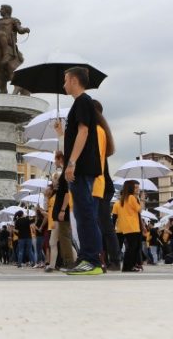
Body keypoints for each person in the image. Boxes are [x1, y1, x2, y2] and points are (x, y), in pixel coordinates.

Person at [54, 66, 104, 275]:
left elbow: (83, 132)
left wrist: (72, 162)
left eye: (65, 80)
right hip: (81, 167)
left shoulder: (82, 101)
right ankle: (86, 258)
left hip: (82, 168)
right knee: (84, 214)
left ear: (74, 80)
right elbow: (75, 136)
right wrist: (61, 134)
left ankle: (91, 260)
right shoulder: (79, 104)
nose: (63, 84)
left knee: (85, 214)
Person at [93, 100, 121, 272]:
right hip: (103, 184)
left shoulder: (97, 131)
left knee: (104, 225)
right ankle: (106, 259)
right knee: (101, 224)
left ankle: (114, 260)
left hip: (102, 184)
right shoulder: (100, 130)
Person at [118, 179, 143, 272]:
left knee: (131, 248)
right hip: (133, 226)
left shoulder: (124, 198)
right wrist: (142, 199)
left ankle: (127, 267)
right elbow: (139, 209)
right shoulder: (132, 197)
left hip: (127, 227)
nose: (137, 189)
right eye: (135, 187)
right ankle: (129, 267)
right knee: (133, 248)